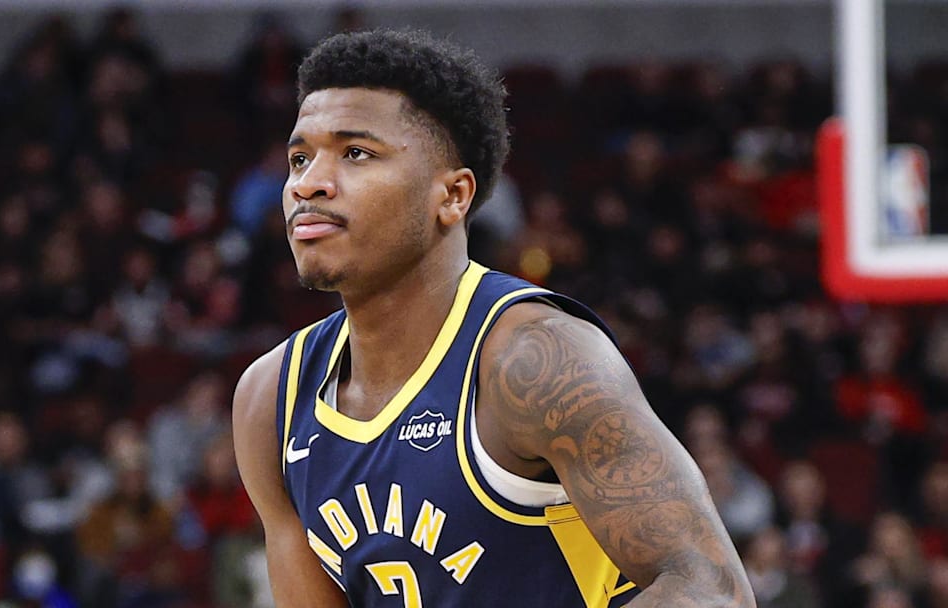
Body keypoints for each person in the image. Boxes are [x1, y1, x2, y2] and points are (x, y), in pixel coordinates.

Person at [233, 29, 754, 607]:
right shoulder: (269, 399)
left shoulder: (537, 360)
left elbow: (712, 590)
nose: (308, 183)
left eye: (356, 153)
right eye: (299, 158)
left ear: (452, 196)